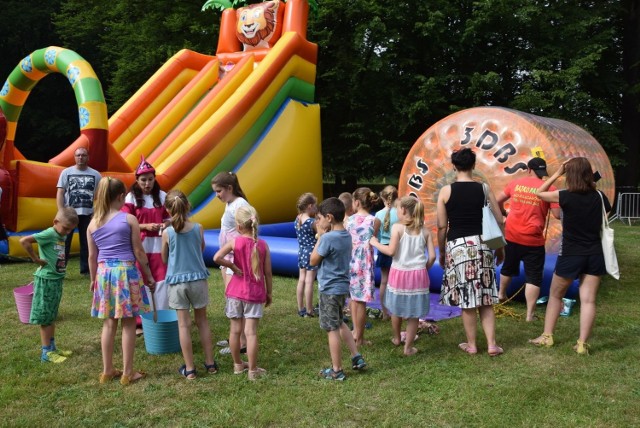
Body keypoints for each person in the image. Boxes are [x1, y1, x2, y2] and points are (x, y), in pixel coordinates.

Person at [529, 158, 611, 355]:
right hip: (594, 253)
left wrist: (557, 173)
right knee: (589, 300)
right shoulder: (599, 196)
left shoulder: (565, 195)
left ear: (570, 174)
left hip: (571, 253)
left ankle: (547, 336)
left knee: (556, 294)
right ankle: (582, 344)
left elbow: (539, 193)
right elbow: (606, 213)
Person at [436, 148, 505, 356]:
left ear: (454, 166)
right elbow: (499, 220)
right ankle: (492, 344)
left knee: (467, 299)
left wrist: (442, 252)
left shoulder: (446, 191)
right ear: (473, 165)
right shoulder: (484, 189)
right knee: (485, 296)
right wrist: (500, 249)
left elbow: (441, 226)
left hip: (458, 247)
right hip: (483, 244)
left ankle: (472, 344)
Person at [87, 177, 155, 385]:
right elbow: (138, 251)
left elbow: (92, 256)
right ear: (120, 197)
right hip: (125, 273)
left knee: (109, 325)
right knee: (128, 325)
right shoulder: (128, 219)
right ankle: (127, 373)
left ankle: (107, 371)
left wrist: (93, 280)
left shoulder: (93, 223)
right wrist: (149, 275)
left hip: (104, 274)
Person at [495, 157, 562, 321]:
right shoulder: (550, 188)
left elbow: (497, 201)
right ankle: (529, 314)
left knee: (508, 266)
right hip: (533, 239)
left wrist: (504, 214)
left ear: (528, 169)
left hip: (512, 233)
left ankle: (501, 295)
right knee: (533, 276)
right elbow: (557, 215)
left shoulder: (515, 184)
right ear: (541, 172)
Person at [162, 190, 218, 379]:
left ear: (168, 210)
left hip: (177, 283)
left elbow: (164, 257)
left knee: (183, 326)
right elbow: (200, 248)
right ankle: (210, 363)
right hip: (198, 281)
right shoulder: (198, 228)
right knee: (202, 322)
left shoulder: (167, 233)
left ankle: (190, 369)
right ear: (188, 206)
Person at [213, 205, 273, 380]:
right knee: (251, 332)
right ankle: (252, 370)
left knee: (235, 330)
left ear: (238, 227)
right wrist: (269, 293)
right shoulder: (263, 245)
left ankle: (238, 365)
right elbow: (268, 273)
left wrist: (231, 265)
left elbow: (216, 257)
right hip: (254, 294)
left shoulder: (235, 242)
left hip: (234, 293)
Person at [370, 196, 435, 356]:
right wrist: (423, 269)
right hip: (418, 274)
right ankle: (408, 348)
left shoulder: (397, 228)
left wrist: (375, 243)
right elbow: (432, 257)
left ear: (403, 210)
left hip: (399, 273)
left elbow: (391, 251)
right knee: (414, 314)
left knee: (396, 309)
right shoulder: (425, 231)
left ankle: (397, 338)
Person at [310, 197, 367, 380]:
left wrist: (319, 235)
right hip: (343, 288)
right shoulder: (346, 235)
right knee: (340, 322)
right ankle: (356, 356)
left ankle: (337, 370)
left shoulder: (327, 238)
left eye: (320, 218)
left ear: (329, 217)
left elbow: (313, 261)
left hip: (329, 290)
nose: (318, 222)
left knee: (331, 329)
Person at [19, 207, 79, 363]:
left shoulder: (61, 235)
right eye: (65, 228)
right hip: (46, 280)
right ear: (55, 222)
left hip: (56, 280)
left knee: (52, 315)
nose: (67, 232)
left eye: (70, 230)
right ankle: (46, 353)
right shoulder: (49, 233)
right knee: (46, 317)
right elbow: (23, 241)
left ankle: (52, 348)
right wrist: (36, 259)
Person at [122, 157, 170, 313]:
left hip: (159, 245)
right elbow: (125, 221)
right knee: (140, 279)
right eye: (143, 180)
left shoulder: (162, 196)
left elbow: (171, 217)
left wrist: (165, 224)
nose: (147, 184)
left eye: (150, 179)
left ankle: (161, 313)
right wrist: (145, 226)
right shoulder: (131, 198)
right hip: (140, 246)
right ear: (137, 180)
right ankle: (140, 318)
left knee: (161, 279)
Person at [211, 171, 250, 354]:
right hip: (228, 258)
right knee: (230, 298)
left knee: (235, 300)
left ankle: (241, 342)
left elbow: (248, 230)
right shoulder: (231, 203)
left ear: (229, 188)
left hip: (234, 259)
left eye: (219, 191)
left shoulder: (240, 205)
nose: (217, 195)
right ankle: (234, 336)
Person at [56, 146, 102, 275]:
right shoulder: (66, 172)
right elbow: (60, 192)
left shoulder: (96, 174)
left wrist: (96, 212)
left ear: (88, 157)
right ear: (74, 157)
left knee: (87, 242)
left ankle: (86, 269)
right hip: (69, 213)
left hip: (87, 214)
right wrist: (61, 211)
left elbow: (100, 196)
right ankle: (59, 269)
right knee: (63, 242)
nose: (81, 157)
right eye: (78, 155)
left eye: (83, 155)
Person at [346, 187, 379, 347]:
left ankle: (355, 333)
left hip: (351, 261)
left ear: (357, 202)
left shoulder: (349, 220)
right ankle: (359, 337)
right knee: (360, 302)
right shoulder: (375, 221)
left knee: (354, 298)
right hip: (365, 263)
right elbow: (373, 238)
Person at [373, 185, 399, 319]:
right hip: (397, 249)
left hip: (383, 248)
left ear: (383, 197)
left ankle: (385, 312)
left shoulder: (378, 214)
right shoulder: (400, 213)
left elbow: (374, 233)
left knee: (384, 281)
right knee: (398, 282)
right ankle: (399, 311)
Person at [295, 192, 318, 318]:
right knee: (309, 281)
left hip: (301, 251)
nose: (316, 208)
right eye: (315, 205)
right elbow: (319, 234)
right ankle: (309, 310)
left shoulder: (297, 219)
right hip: (311, 252)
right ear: (310, 206)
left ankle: (301, 308)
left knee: (301, 279)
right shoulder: (311, 222)